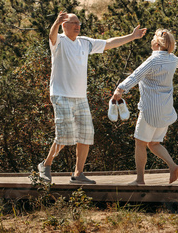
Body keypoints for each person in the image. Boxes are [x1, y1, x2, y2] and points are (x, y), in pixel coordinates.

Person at [38, 11, 147, 184]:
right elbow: (51, 35)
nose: (77, 26)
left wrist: (132, 36)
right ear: (64, 26)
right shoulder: (59, 41)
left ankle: (78, 174)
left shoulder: (85, 43)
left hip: (81, 97)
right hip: (61, 94)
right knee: (65, 136)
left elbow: (109, 43)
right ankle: (46, 165)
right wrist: (56, 23)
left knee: (86, 135)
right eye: (73, 23)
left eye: (79, 23)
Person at [111, 29, 178, 186]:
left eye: (152, 39)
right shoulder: (172, 59)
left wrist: (119, 89)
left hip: (150, 109)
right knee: (154, 143)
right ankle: (173, 166)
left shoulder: (152, 61)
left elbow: (135, 75)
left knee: (140, 143)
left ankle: (140, 180)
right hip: (165, 109)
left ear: (156, 43)